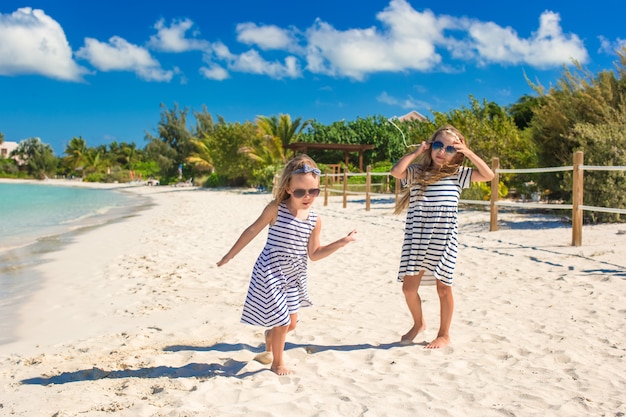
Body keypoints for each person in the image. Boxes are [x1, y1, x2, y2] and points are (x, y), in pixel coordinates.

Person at [217, 154, 357, 375]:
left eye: (314, 191)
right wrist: (230, 255)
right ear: (289, 188)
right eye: (301, 191)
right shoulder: (276, 209)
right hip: (270, 272)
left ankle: (270, 337)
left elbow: (314, 254)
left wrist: (342, 242)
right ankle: (277, 363)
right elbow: (252, 231)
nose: (308, 196)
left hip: (294, 276)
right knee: (282, 323)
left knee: (291, 324)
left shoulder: (314, 219)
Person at [390, 125, 494, 349]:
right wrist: (416, 153)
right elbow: (396, 172)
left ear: (456, 153)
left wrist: (468, 152)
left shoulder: (458, 175)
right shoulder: (417, 172)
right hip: (417, 239)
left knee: (443, 288)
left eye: (449, 148)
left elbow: (489, 175)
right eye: (438, 145)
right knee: (408, 289)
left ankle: (444, 334)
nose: (442, 152)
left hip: (444, 239)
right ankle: (419, 324)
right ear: (430, 147)